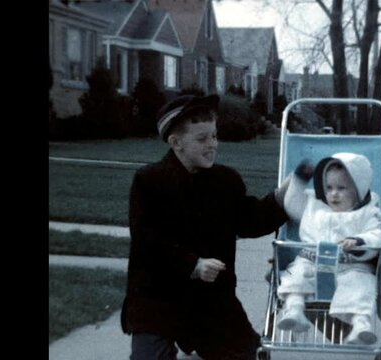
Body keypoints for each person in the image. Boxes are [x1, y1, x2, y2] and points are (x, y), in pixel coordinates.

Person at [120, 94, 289, 360]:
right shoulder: (149, 182)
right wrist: (193, 265)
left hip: (212, 301)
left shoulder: (225, 180)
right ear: (176, 143)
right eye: (202, 139)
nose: (212, 145)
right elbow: (148, 241)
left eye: (214, 136)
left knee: (250, 354)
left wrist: (281, 198)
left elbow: (249, 220)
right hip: (158, 300)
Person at [276, 152, 381, 345]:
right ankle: (294, 310)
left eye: (341, 188)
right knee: (296, 274)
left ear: (358, 190)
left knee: (360, 285)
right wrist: (299, 180)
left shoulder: (368, 213)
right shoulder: (315, 207)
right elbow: (292, 204)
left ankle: (361, 324)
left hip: (351, 265)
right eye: (329, 188)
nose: (333, 193)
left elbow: (377, 235)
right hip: (312, 260)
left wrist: (359, 240)